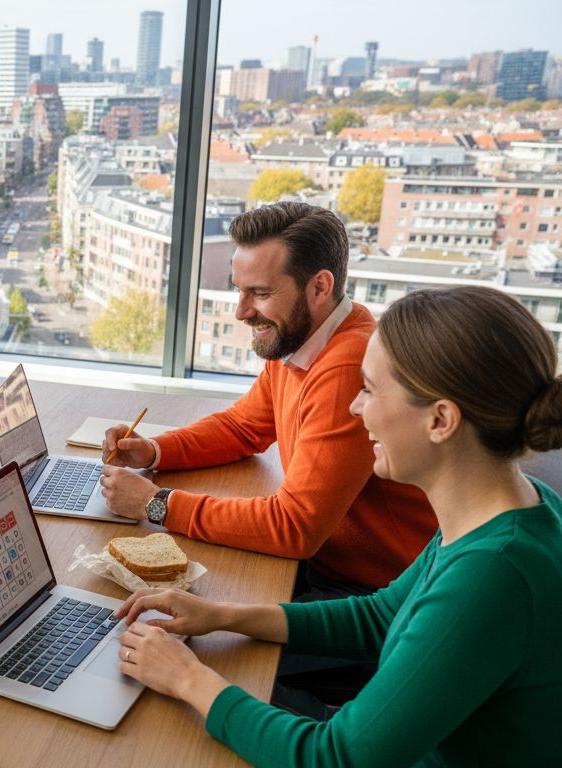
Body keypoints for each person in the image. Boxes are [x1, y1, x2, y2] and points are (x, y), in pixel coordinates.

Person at [112, 286, 562, 766]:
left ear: (441, 420)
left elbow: (338, 757)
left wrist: (188, 679)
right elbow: (382, 616)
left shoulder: (493, 574)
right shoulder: (507, 507)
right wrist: (222, 614)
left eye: (368, 390)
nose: (354, 408)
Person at [99, 202, 434, 598]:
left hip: (374, 592)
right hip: (326, 564)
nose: (242, 312)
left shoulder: (347, 367)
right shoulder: (303, 336)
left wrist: (157, 504)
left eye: (260, 293)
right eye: (240, 291)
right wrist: (153, 450)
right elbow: (243, 427)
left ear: (320, 287)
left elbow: (295, 528)